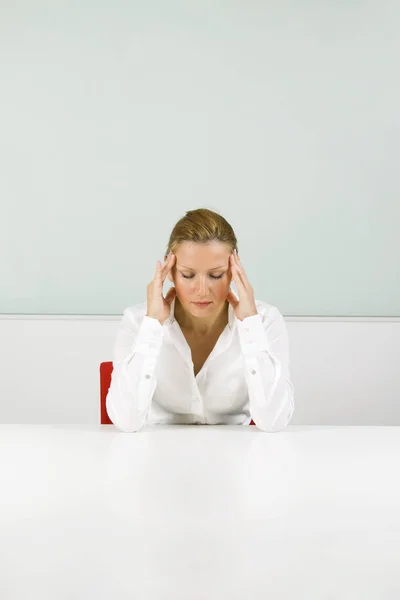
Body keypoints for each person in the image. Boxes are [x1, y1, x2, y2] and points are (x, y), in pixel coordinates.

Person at [106, 208, 295, 432]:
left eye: (215, 275)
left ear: (234, 271)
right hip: (157, 455)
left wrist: (250, 325)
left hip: (237, 457)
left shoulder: (264, 321)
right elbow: (127, 422)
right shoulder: (138, 321)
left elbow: (274, 422)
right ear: (169, 272)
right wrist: (152, 326)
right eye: (188, 275)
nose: (202, 290)